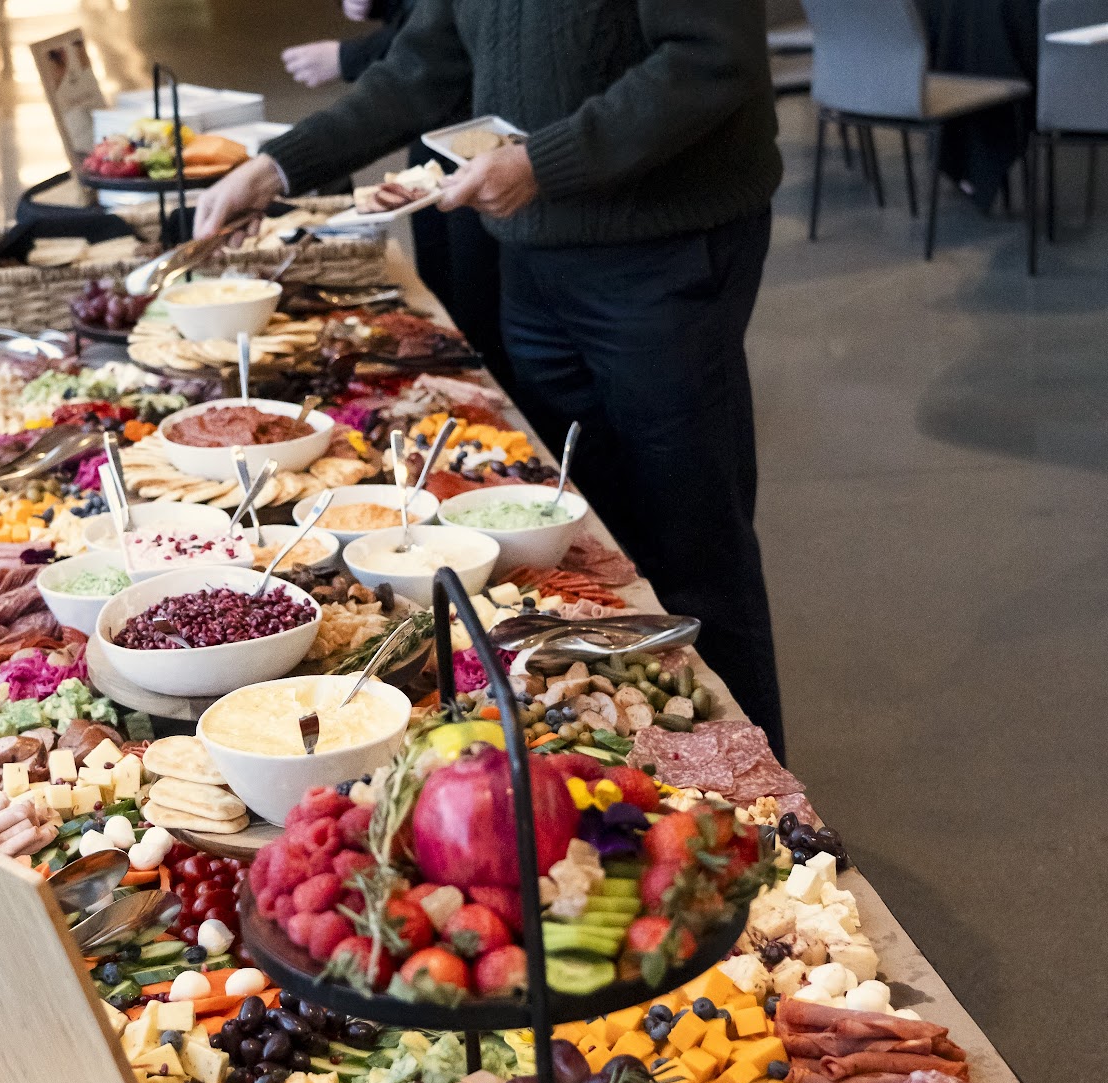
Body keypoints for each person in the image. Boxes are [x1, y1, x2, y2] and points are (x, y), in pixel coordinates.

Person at [195, 0, 786, 754]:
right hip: (535, 257)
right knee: (570, 539)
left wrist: (542, 163)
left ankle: (761, 783)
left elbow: (710, 60)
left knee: (690, 533)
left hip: (662, 255)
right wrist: (278, 165)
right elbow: (426, 62)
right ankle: (639, 756)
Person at [280, 0, 512, 382]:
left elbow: (433, 48)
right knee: (444, 296)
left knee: (479, 311)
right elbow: (427, 31)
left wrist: (351, 57)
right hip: (439, 137)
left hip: (500, 151)